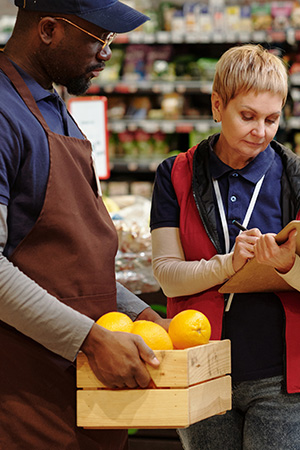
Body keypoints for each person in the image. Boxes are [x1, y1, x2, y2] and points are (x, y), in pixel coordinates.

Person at [0, 1, 169, 449]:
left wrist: (143, 315)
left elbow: (69, 266)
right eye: (98, 38)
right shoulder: (3, 115)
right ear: (50, 29)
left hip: (85, 393)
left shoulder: (54, 106)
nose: (107, 54)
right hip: (25, 400)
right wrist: (89, 340)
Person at [150, 44, 300, 450]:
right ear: (218, 106)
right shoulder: (174, 175)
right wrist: (228, 264)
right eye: (247, 116)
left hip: (281, 379)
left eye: (272, 119)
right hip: (199, 367)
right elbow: (166, 276)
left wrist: (288, 266)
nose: (261, 131)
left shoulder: (294, 176)